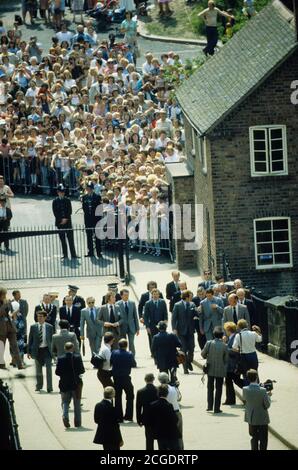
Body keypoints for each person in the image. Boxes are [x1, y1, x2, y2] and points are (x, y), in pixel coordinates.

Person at [55, 342, 85, 428]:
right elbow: (82, 370)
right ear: (72, 348)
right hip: (76, 384)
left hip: (64, 384)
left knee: (65, 402)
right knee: (77, 403)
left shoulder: (60, 358)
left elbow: (57, 372)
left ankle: (65, 416)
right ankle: (78, 422)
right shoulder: (77, 357)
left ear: (65, 348)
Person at [201, 326, 228, 414]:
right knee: (219, 388)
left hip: (210, 369)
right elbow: (226, 359)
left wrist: (207, 357)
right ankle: (217, 408)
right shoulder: (225, 346)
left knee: (210, 388)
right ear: (222, 335)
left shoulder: (209, 343)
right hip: (220, 370)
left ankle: (209, 406)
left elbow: (203, 354)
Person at [243, 369, 271, 451]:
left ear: (248, 378)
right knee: (263, 439)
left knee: (254, 437)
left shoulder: (245, 389)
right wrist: (268, 396)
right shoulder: (263, 390)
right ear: (256, 377)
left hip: (251, 418)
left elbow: (246, 401)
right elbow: (267, 405)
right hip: (262, 418)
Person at [172, 290, 197, 374]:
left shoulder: (192, 304)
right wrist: (174, 329)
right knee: (183, 349)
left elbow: (195, 314)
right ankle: (185, 368)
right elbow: (174, 318)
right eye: (190, 296)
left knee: (192, 348)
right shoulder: (177, 305)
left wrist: (198, 311)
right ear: (186, 297)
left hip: (190, 331)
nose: (192, 298)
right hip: (181, 331)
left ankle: (189, 361)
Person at [148, 384, 180, 450]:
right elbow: (175, 419)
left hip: (159, 433)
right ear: (167, 393)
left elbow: (150, 420)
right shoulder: (169, 405)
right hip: (170, 433)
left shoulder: (152, 405)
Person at [28, 310, 53, 392]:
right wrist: (29, 352)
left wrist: (54, 352)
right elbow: (30, 340)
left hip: (47, 350)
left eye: (41, 317)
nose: (39, 318)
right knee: (38, 370)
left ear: (45, 317)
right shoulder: (33, 327)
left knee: (48, 370)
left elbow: (52, 340)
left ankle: (49, 387)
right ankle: (39, 386)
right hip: (37, 351)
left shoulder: (50, 327)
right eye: (38, 317)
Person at [110, 338, 135, 423]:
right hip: (126, 377)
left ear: (118, 345)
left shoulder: (114, 353)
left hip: (116, 378)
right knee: (130, 396)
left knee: (117, 397)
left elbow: (111, 362)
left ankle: (118, 417)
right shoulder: (129, 354)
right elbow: (133, 364)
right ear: (126, 346)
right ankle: (128, 415)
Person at [158, 372, 184, 450]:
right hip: (176, 412)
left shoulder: (159, 389)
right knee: (179, 433)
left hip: (165, 414)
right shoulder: (173, 388)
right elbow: (179, 398)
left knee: (166, 434)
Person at [52, 184, 78, 260]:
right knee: (62, 239)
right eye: (60, 192)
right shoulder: (55, 201)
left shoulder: (67, 200)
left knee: (70, 239)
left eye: (63, 192)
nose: (62, 193)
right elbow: (55, 212)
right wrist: (61, 219)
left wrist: (65, 218)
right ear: (58, 192)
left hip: (68, 222)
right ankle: (65, 254)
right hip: (60, 223)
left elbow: (70, 211)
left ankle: (73, 254)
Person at [0, 287, 23, 370]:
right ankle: (1, 364)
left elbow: (10, 312)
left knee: (15, 346)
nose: (5, 296)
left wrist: (12, 309)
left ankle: (19, 364)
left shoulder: (8, 302)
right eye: (3, 294)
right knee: (1, 347)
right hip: (1, 329)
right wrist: (5, 304)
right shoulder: (5, 303)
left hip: (10, 327)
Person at [93, 386, 123, 451]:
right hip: (113, 437)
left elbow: (96, 420)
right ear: (112, 395)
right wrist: (120, 439)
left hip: (103, 435)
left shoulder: (98, 405)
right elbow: (116, 426)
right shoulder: (113, 409)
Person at [223, 322, 244, 405]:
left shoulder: (235, 337)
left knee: (234, 381)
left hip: (233, 364)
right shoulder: (232, 337)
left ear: (228, 330)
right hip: (231, 364)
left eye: (226, 330)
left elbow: (235, 351)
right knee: (232, 381)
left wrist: (224, 347)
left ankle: (230, 400)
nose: (225, 332)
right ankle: (230, 400)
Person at [136, 373, 158, 451]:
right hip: (158, 417)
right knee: (160, 438)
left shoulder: (140, 391)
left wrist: (139, 420)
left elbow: (138, 407)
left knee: (149, 439)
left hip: (146, 418)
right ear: (153, 379)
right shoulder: (158, 390)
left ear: (145, 380)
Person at [116, 289, 139, 360]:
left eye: (127, 295)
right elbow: (117, 317)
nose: (127, 297)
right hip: (122, 327)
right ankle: (124, 358)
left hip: (131, 327)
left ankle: (132, 358)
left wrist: (137, 328)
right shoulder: (117, 304)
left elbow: (135, 316)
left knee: (131, 343)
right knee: (123, 344)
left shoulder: (132, 303)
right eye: (125, 295)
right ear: (121, 296)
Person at [143, 288, 168, 353]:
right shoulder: (148, 303)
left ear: (159, 295)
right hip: (152, 325)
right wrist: (147, 327)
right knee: (153, 340)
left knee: (162, 339)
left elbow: (165, 312)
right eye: (154, 294)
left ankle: (162, 352)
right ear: (152, 295)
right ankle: (154, 353)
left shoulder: (162, 302)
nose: (155, 296)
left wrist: (165, 321)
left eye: (157, 294)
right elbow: (145, 316)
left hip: (161, 324)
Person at [81, 181, 102, 258]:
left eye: (90, 188)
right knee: (89, 236)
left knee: (97, 236)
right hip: (88, 219)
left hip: (96, 219)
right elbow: (84, 208)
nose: (89, 190)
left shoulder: (97, 197)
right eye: (87, 188)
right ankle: (90, 252)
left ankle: (99, 252)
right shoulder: (84, 197)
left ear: (93, 189)